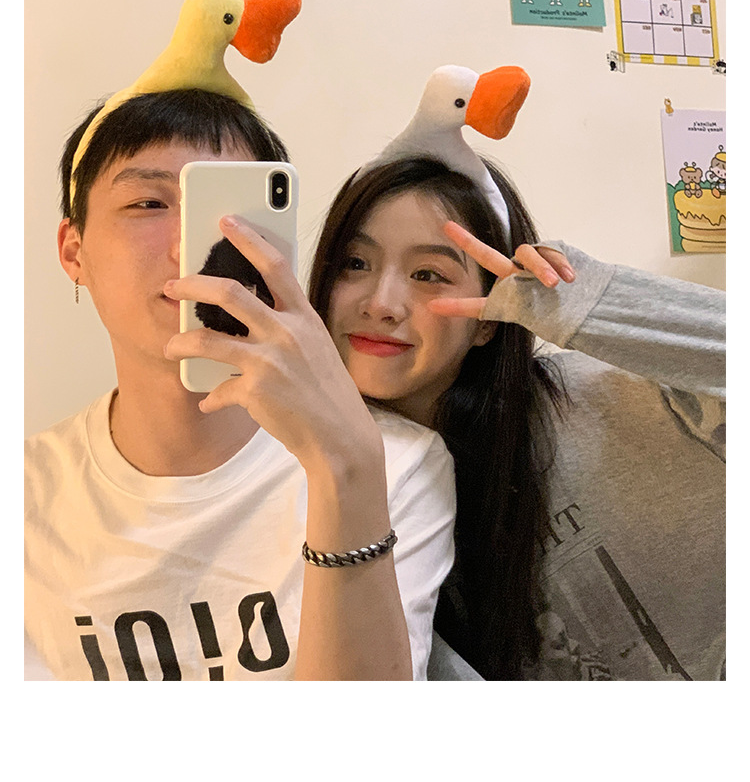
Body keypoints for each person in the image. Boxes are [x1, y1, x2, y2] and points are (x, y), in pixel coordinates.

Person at [24, 90, 456, 681]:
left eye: (221, 204)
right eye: (148, 203)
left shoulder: (392, 464)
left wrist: (346, 469)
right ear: (74, 251)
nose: (188, 247)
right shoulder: (26, 497)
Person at [308, 155, 726, 681]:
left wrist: (591, 304)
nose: (382, 304)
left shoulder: (610, 400)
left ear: (489, 320)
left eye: (427, 274)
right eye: (354, 264)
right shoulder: (322, 481)